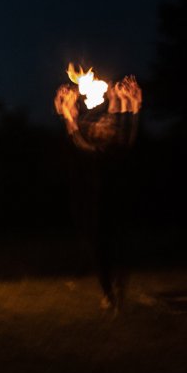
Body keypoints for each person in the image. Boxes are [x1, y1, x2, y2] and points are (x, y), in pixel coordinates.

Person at [54, 76, 142, 311]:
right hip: (94, 208)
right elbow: (76, 139)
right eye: (100, 126)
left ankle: (117, 291)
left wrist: (130, 105)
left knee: (121, 249)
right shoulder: (92, 152)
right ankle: (109, 294)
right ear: (93, 133)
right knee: (100, 249)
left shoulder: (118, 148)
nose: (105, 126)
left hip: (118, 205)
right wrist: (68, 114)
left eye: (108, 127)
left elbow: (126, 128)